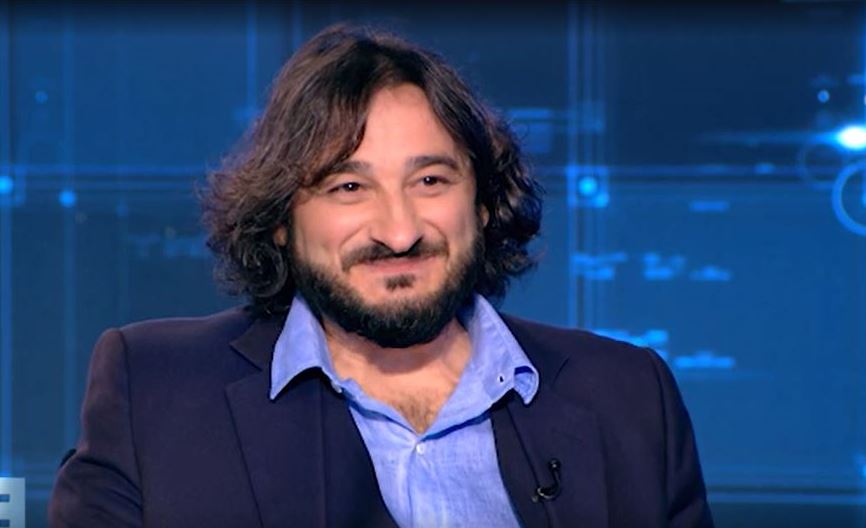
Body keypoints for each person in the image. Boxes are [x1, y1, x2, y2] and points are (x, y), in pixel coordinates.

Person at [48, 24, 713, 528]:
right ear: (281, 220)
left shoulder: (628, 396)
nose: (400, 231)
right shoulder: (155, 389)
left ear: (483, 203)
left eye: (431, 181)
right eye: (348, 187)